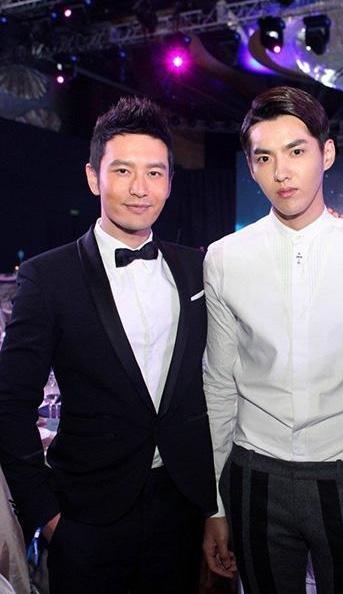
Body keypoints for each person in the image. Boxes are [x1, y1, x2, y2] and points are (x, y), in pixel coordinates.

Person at [202, 86, 343, 594]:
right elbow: (218, 387)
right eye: (265, 157)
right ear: (251, 167)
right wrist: (215, 505)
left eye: (296, 151)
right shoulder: (224, 258)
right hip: (254, 477)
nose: (281, 172)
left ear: (326, 154)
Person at [0, 96, 216, 594]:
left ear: (170, 182)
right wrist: (46, 515)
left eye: (155, 173)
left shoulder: (197, 268)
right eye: (122, 171)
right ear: (94, 177)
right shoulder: (48, 276)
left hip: (183, 508)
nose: (140, 188)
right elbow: (10, 404)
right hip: (85, 518)